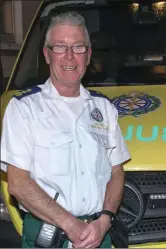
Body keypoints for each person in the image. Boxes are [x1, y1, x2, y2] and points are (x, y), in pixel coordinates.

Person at [0, 11, 131, 248]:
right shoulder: (23, 108)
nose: (69, 56)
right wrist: (71, 225)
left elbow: (117, 172)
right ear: (47, 54)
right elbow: (18, 183)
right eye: (60, 47)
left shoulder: (104, 108)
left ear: (88, 55)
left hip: (98, 234)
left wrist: (105, 220)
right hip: (48, 237)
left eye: (78, 47)